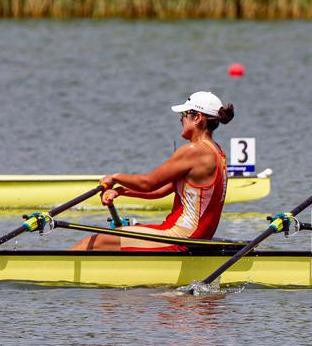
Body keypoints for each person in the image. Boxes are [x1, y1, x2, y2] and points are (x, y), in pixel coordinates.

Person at [71, 91, 234, 251]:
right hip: (193, 236)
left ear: (197, 117)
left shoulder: (194, 151)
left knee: (92, 242)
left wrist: (115, 178)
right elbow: (160, 191)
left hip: (180, 236)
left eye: (184, 114)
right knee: (113, 236)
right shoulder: (217, 152)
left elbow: (148, 183)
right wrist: (121, 191)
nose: (181, 119)